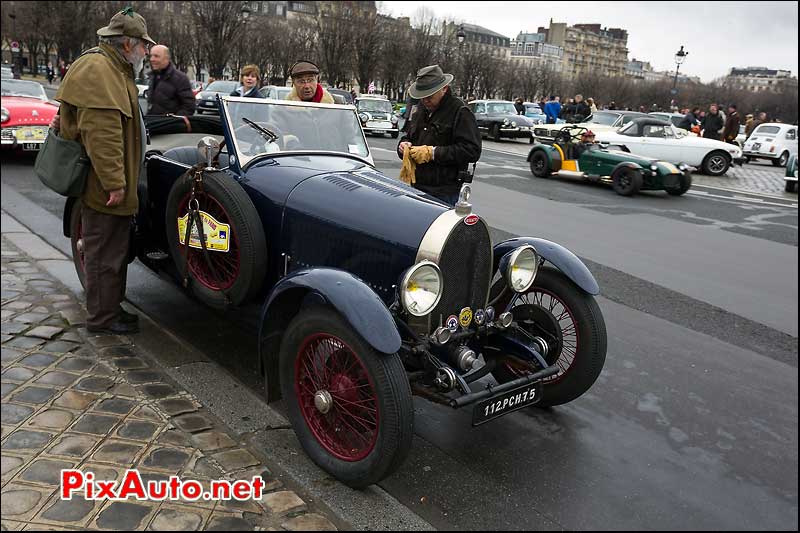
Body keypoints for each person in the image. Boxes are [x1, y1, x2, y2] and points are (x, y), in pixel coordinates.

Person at [54, 7, 154, 335]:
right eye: (143, 45)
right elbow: (102, 136)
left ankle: (110, 308)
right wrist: (115, 183)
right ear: (127, 44)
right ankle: (102, 319)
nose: (146, 51)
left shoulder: (111, 66)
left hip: (107, 180)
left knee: (113, 249)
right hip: (103, 184)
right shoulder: (100, 70)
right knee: (103, 252)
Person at [396, 64, 481, 206]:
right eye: (422, 97)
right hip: (417, 185)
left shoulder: (460, 111)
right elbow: (409, 136)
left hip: (444, 191)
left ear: (444, 89)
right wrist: (403, 145)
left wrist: (433, 153)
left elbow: (472, 150)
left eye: (429, 96)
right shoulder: (421, 108)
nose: (425, 100)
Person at [146, 44, 195, 115]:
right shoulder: (153, 76)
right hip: (153, 124)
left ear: (166, 58)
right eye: (151, 56)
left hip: (169, 125)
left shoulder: (180, 79)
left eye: (156, 56)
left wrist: (173, 122)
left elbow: (189, 107)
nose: (152, 59)